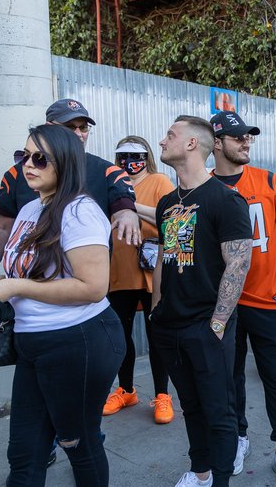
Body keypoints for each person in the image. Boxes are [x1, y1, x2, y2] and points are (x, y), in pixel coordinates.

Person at [0, 125, 124, 486]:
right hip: (33, 344)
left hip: (78, 343)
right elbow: (17, 271)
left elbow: (93, 287)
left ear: (64, 163)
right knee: (24, 453)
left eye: (39, 158)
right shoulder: (30, 209)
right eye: (23, 156)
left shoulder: (80, 212)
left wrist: (15, 286)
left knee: (78, 444)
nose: (28, 164)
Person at [150, 115, 253, 487]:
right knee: (190, 406)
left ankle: (221, 480)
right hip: (169, 325)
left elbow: (238, 264)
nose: (162, 142)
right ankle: (201, 472)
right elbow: (165, 256)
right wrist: (155, 310)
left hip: (207, 327)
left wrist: (218, 323)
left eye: (170, 135)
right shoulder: (166, 203)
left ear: (192, 144)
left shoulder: (226, 200)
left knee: (219, 411)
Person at [208, 110, 276, 486]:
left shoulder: (266, 180)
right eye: (237, 137)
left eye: (249, 136)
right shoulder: (204, 185)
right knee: (230, 378)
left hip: (267, 297)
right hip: (225, 305)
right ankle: (238, 438)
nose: (247, 142)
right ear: (217, 143)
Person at [0, 99, 140, 275]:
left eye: (83, 127)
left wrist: (128, 213)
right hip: (25, 283)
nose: (79, 134)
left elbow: (123, 206)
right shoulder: (19, 173)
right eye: (69, 126)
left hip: (78, 285)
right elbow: (3, 227)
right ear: (49, 127)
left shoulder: (107, 171)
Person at [102, 137, 175, 424]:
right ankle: (126, 389)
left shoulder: (159, 181)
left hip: (151, 271)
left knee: (157, 335)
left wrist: (129, 208)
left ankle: (162, 395)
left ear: (146, 156)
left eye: (136, 155)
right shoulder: (113, 184)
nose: (129, 161)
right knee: (120, 335)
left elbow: (171, 219)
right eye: (123, 155)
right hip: (118, 272)